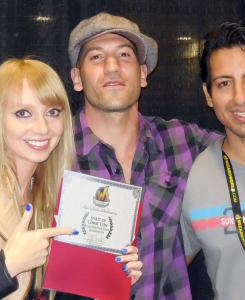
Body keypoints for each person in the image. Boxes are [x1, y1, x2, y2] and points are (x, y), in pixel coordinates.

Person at [68, 12, 221, 299]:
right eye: (97, 57)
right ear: (77, 78)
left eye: (124, 54)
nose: (112, 66)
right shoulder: (52, 152)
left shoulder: (182, 142)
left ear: (142, 73)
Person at [0, 58, 142, 299]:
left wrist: (110, 280)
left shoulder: (58, 199)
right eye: (23, 113)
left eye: (52, 112)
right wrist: (6, 267)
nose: (42, 128)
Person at [181, 22, 245, 299]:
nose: (240, 98)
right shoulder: (193, 173)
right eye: (224, 83)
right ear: (209, 96)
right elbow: (164, 274)